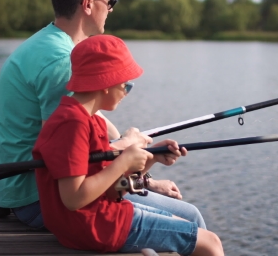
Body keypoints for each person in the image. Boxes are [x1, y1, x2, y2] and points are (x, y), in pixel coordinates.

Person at [0, 0, 205, 228]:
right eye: (110, 1)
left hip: (27, 189)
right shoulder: (61, 63)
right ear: (89, 4)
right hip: (39, 199)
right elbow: (66, 152)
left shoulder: (49, 44)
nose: (112, 9)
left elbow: (91, 124)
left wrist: (141, 163)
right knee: (192, 218)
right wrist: (128, 150)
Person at [32, 35, 223, 255]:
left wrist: (149, 159)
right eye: (125, 84)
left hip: (99, 216)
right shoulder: (71, 123)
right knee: (210, 244)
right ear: (105, 82)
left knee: (198, 230)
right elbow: (73, 199)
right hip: (91, 226)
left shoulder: (90, 120)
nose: (126, 92)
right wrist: (123, 162)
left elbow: (112, 192)